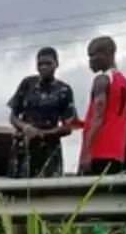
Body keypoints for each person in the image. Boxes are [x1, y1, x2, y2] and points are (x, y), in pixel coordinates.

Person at [6, 47, 79, 178]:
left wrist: (43, 134)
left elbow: (70, 126)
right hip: (24, 149)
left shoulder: (64, 90)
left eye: (48, 63)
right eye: (40, 64)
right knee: (20, 187)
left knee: (48, 188)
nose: (44, 67)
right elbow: (13, 116)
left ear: (56, 64)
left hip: (49, 149)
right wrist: (25, 127)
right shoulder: (27, 84)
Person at [79, 36, 126, 178]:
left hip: (98, 153)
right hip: (117, 153)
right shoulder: (123, 81)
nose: (90, 60)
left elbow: (98, 117)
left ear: (108, 54)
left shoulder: (102, 80)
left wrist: (86, 153)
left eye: (93, 55)